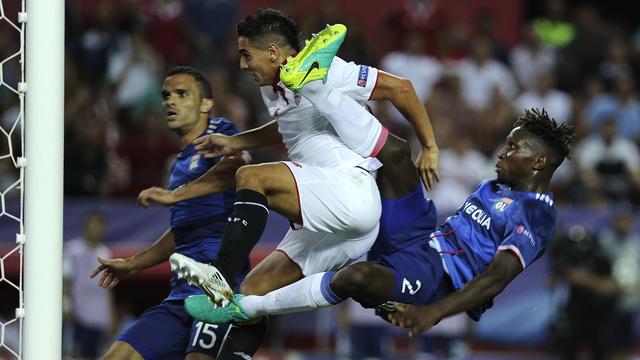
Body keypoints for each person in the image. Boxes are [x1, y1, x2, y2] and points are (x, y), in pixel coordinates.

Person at [160, 8, 440, 358]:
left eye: (247, 54)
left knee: (250, 176)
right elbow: (291, 125)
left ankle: (219, 276)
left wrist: (429, 146)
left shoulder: (331, 71)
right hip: (340, 223)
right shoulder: (271, 87)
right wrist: (236, 141)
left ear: (273, 52)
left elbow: (402, 88)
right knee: (254, 292)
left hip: (348, 189)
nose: (243, 65)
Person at [185, 109, 576, 342]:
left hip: (433, 278)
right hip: (421, 238)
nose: (503, 153)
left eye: (513, 148)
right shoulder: (495, 185)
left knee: (355, 278)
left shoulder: (538, 215)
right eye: (506, 144)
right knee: (395, 153)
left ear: (538, 163)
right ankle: (321, 87)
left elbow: (496, 279)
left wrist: (433, 313)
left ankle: (247, 306)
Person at [90, 66, 249, 359]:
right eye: (166, 96)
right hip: (180, 296)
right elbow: (182, 232)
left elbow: (236, 171)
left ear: (206, 105)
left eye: (181, 94)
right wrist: (134, 264)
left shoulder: (220, 133)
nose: (169, 101)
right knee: (117, 356)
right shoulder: (179, 165)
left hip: (220, 290)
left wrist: (175, 195)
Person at [63, 211, 115, 359]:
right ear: (85, 227)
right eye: (92, 225)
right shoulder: (73, 250)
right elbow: (66, 280)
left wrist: (110, 317)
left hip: (100, 318)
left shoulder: (106, 253)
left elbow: (109, 288)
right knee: (75, 355)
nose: (95, 229)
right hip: (78, 316)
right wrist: (66, 306)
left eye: (99, 226)